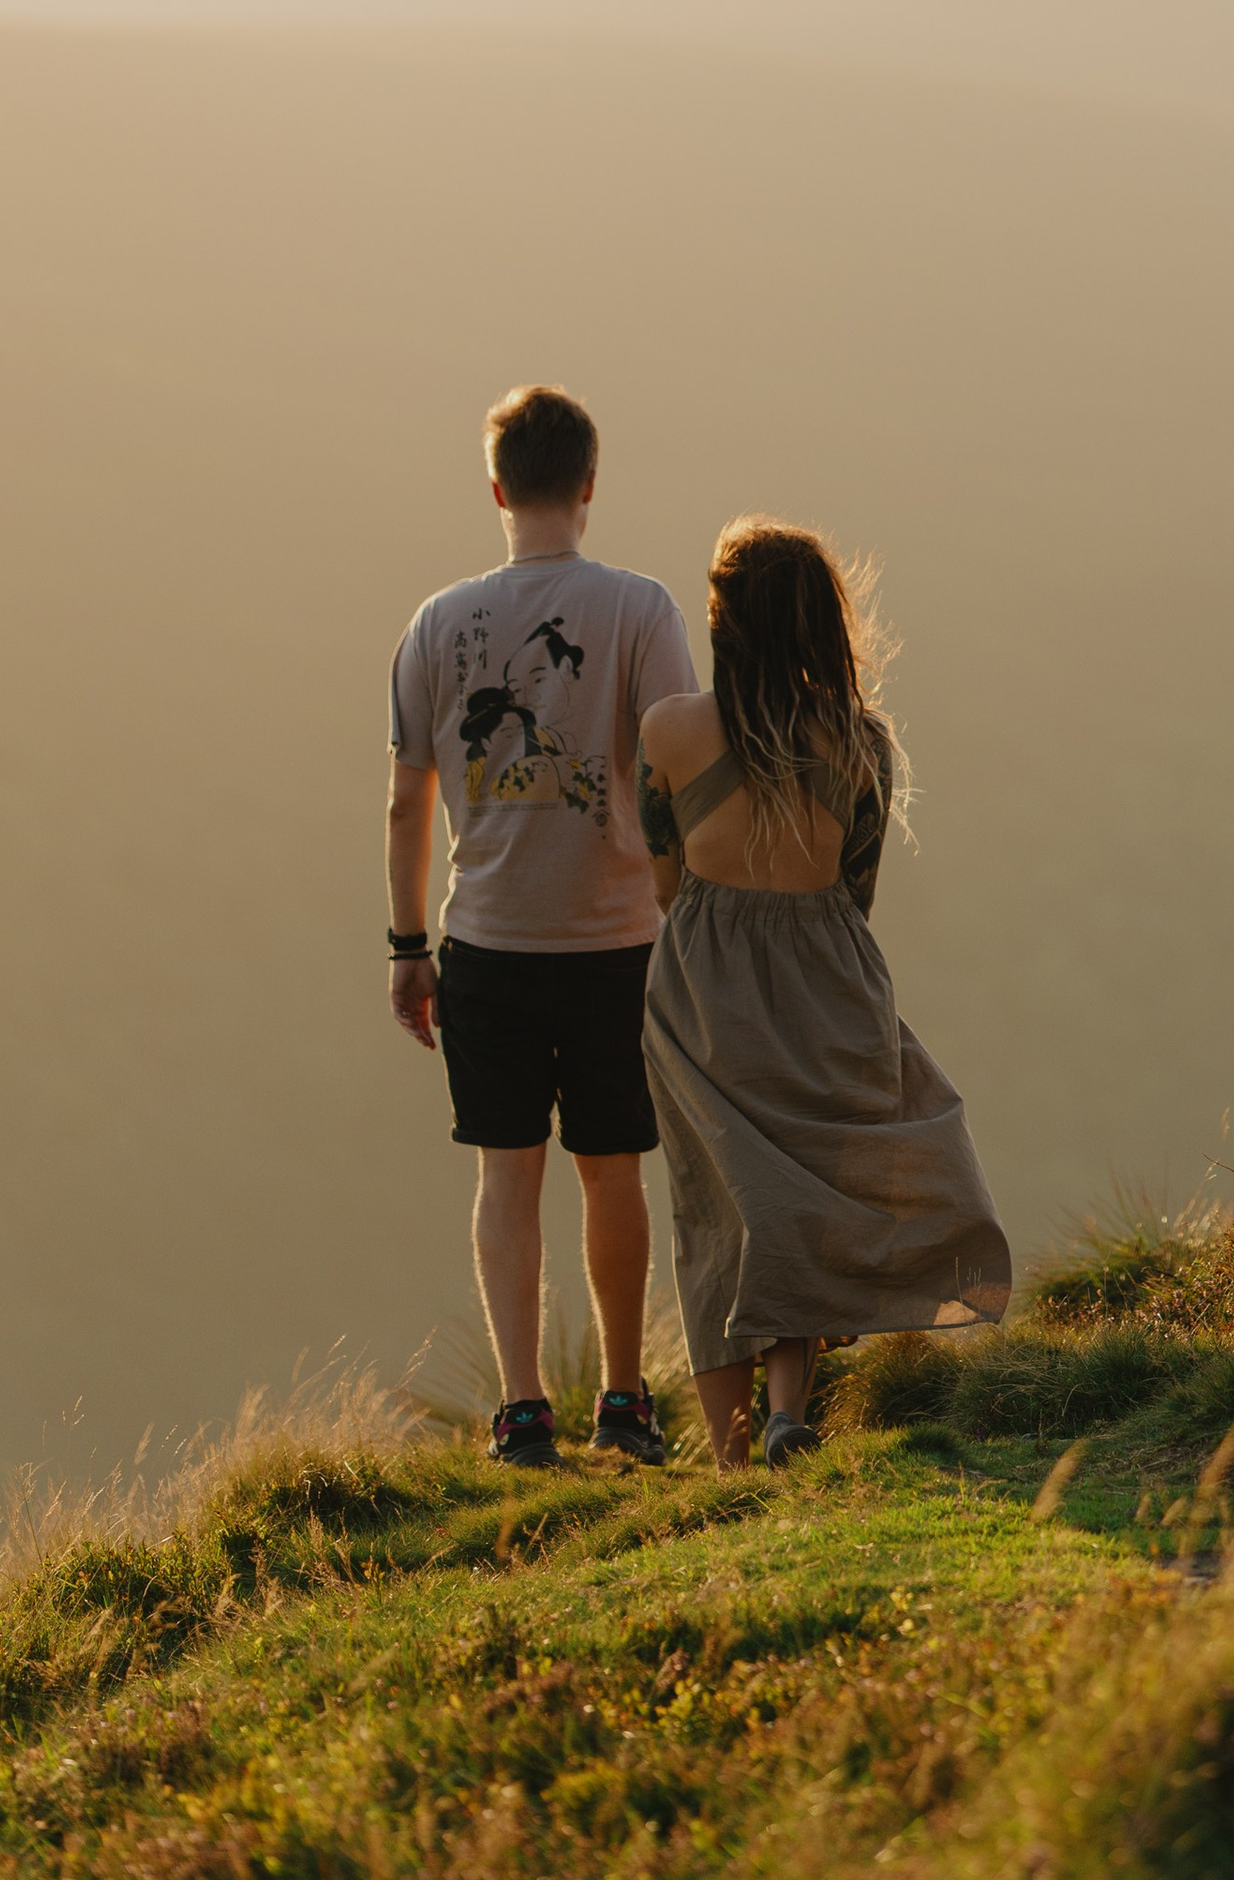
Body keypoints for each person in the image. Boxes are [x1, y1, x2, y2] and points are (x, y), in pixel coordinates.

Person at [637, 518, 1011, 1469]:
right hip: (830, 978)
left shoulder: (672, 730)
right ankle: (787, 1410)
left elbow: (665, 879)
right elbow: (858, 884)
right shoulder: (863, 745)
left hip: (705, 993)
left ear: (725, 622)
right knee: (810, 1185)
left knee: (722, 1202)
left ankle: (729, 1461)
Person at [386, 383, 696, 1467]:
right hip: (618, 939)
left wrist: (407, 948)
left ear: (497, 487)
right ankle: (623, 1397)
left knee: (504, 1174)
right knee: (612, 1169)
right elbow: (674, 764)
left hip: (488, 944)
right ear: (590, 486)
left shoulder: (435, 622)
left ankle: (522, 1410)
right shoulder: (641, 607)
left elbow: (404, 799)